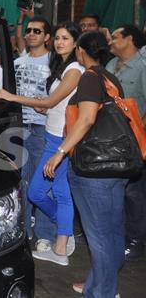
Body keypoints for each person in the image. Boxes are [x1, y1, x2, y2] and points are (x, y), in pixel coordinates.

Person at [43, 31, 128, 298]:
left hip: (94, 169)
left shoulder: (90, 78)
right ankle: (101, 288)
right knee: (112, 232)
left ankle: (102, 293)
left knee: (100, 237)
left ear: (81, 51)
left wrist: (59, 152)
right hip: (116, 166)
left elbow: (87, 119)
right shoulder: (110, 77)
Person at [0, 22, 83, 265]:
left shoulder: (75, 68)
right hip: (51, 131)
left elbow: (51, 100)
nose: (59, 42)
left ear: (76, 43)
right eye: (58, 38)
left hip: (58, 138)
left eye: (65, 38)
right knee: (60, 192)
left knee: (37, 190)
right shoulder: (63, 67)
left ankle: (60, 232)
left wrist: (10, 96)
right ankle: (62, 243)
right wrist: (44, 110)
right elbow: (56, 105)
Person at [105, 24, 146, 262]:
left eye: (116, 37)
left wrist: (138, 132)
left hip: (134, 140)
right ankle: (116, 235)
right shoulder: (111, 65)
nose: (111, 41)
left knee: (134, 193)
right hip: (112, 139)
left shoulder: (141, 67)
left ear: (130, 39)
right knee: (115, 190)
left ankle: (135, 239)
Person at [13, 16, 55, 243]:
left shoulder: (54, 63)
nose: (31, 34)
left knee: (43, 182)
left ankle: (45, 234)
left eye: (37, 31)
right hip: (19, 128)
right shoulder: (18, 63)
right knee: (22, 182)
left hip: (43, 129)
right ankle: (25, 232)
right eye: (28, 30)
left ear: (47, 37)